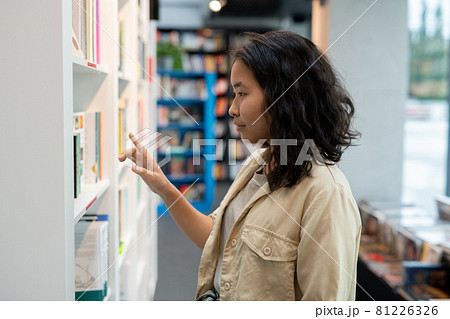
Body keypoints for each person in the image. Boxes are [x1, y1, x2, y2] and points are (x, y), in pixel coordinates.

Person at [119, 30, 362, 301]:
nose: (232, 109)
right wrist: (164, 188)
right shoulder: (259, 162)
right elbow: (217, 240)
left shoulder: (326, 194)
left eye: (242, 93)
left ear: (285, 97)